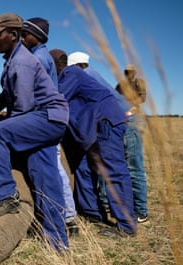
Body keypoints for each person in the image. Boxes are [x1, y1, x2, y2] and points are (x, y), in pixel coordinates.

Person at [0, 13, 70, 251]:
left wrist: (2, 123)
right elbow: (6, 96)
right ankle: (58, 244)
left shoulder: (21, 62)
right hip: (49, 119)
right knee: (45, 180)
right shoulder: (13, 59)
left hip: (46, 117)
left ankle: (5, 197)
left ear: (14, 35)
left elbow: (24, 108)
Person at [50, 49, 138, 237]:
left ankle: (127, 226)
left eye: (48, 64)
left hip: (104, 123)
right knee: (82, 167)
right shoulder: (67, 77)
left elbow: (55, 99)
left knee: (114, 172)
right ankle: (92, 213)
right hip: (90, 129)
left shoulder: (71, 73)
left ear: (56, 64)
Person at [21, 17, 78, 236]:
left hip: (45, 118)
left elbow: (34, 93)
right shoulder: (39, 56)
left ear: (36, 36)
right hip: (46, 116)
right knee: (52, 168)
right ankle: (63, 217)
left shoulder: (38, 58)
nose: (23, 38)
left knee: (52, 169)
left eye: (25, 34)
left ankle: (66, 218)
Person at [115, 64, 149, 223]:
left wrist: (128, 110)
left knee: (135, 166)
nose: (129, 74)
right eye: (127, 71)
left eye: (131, 71)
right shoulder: (120, 84)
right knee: (126, 164)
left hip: (133, 118)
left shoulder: (138, 82)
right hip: (124, 119)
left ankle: (141, 211)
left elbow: (141, 99)